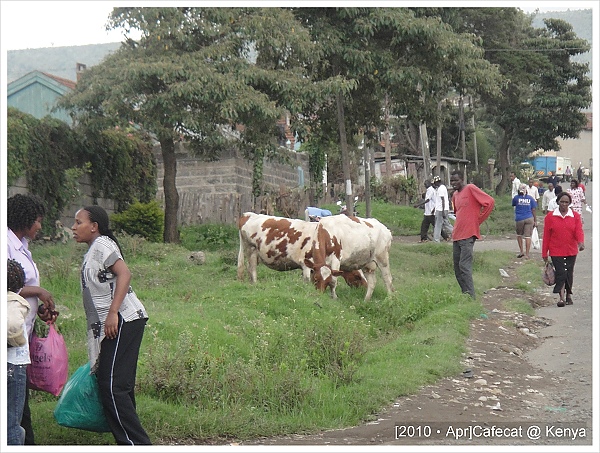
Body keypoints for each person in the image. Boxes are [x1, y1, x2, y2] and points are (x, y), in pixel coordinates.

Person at [71, 205, 151, 445]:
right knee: (118, 386)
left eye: (78, 222)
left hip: (123, 320)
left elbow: (124, 274)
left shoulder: (103, 244)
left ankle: (135, 444)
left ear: (94, 226)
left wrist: (113, 312)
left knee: (113, 387)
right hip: (117, 323)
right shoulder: (94, 249)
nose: (73, 227)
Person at [7, 193, 58, 445]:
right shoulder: (5, 243)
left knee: (19, 401)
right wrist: (38, 292)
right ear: (24, 219)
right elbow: (8, 286)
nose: (40, 226)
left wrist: (38, 307)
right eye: (37, 220)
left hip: (21, 331)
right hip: (9, 336)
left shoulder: (22, 245)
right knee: (15, 406)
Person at [449, 170, 495, 299]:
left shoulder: (470, 188)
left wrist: (478, 220)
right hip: (457, 235)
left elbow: (489, 202)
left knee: (464, 266)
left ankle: (471, 296)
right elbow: (458, 214)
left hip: (468, 235)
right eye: (451, 181)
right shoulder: (455, 195)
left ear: (462, 179)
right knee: (457, 268)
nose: (453, 183)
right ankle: (466, 295)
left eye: (456, 180)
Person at [542, 192, 585, 307]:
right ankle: (561, 297)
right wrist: (544, 252)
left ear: (569, 203)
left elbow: (578, 231)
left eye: (566, 202)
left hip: (571, 249)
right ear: (558, 202)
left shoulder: (575, 216)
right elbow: (546, 235)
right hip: (556, 250)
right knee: (561, 272)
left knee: (569, 272)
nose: (564, 204)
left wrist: (581, 243)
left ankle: (568, 295)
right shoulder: (550, 217)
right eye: (562, 202)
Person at [7, 259, 31, 445]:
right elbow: (13, 325)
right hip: (12, 365)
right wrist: (17, 340)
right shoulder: (14, 301)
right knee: (11, 423)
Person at [512, 183, 537, 260]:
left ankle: (521, 251)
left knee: (519, 235)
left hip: (519, 219)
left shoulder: (516, 198)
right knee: (528, 236)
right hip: (529, 218)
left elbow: (514, 205)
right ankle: (527, 254)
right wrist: (535, 220)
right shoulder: (531, 198)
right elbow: (533, 209)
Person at [432, 175, 453, 242]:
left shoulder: (440, 189)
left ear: (437, 182)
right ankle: (458, 233)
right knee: (446, 224)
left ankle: (436, 240)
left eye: (435, 183)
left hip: (441, 209)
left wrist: (443, 211)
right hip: (443, 209)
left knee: (438, 225)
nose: (434, 184)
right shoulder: (443, 187)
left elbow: (442, 200)